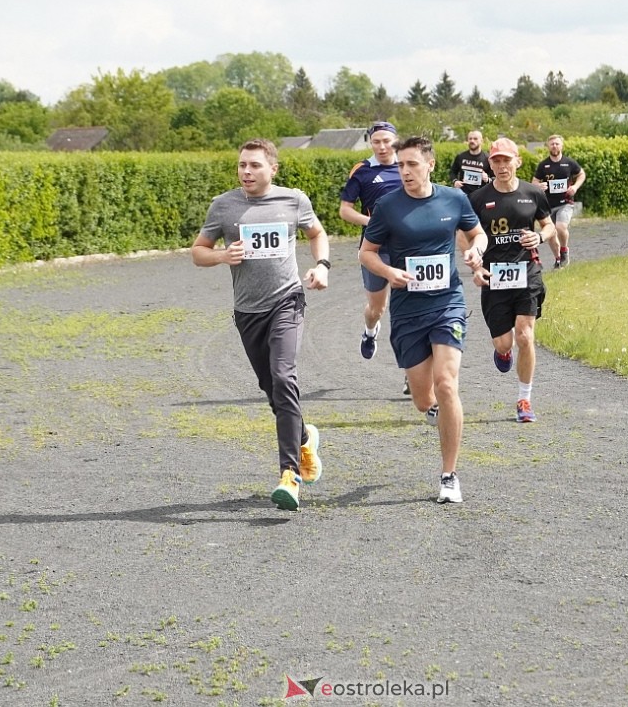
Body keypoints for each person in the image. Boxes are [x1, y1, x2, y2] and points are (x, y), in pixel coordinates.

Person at [191, 139, 330, 512]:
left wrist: (322, 266)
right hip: (247, 312)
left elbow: (317, 233)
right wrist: (222, 255)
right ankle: (304, 439)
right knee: (271, 388)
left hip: (287, 301)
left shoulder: (293, 200)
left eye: (254, 165)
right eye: (242, 165)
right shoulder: (224, 206)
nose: (246, 172)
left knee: (284, 377)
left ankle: (289, 475)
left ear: (273, 169)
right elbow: (198, 252)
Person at [360, 136, 488, 505]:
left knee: (447, 384)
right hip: (407, 310)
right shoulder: (388, 206)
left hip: (447, 302)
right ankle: (434, 412)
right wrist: (389, 272)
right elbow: (366, 253)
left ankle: (449, 476)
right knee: (422, 399)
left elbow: (477, 234)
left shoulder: (454, 199)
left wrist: (476, 251)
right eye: (400, 165)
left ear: (430, 165)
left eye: (412, 164)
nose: (404, 171)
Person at [467, 138, 556, 424]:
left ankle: (524, 399)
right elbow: (465, 234)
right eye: (496, 161)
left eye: (507, 160)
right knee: (504, 343)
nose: (502, 166)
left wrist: (539, 237)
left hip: (527, 271)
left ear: (518, 161)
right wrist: (475, 264)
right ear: (490, 164)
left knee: (525, 336)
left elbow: (549, 226)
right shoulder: (478, 199)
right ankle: (503, 353)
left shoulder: (533, 193)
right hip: (494, 275)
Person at [338, 122, 402, 363]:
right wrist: (373, 222)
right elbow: (345, 210)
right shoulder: (362, 170)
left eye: (387, 141)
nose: (382, 147)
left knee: (408, 308)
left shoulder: (408, 165)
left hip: (408, 247)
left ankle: (413, 365)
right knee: (377, 309)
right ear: (370, 143)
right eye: (376, 142)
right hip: (375, 248)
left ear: (396, 141)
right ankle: (370, 332)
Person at [531, 134, 586, 268]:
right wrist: (539, 186)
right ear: (548, 146)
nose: (554, 146)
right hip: (548, 205)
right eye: (552, 144)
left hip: (565, 203)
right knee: (551, 234)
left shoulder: (569, 163)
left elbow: (581, 174)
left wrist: (575, 187)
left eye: (557, 144)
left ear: (561, 146)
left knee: (560, 227)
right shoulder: (543, 165)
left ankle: (564, 250)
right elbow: (534, 182)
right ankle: (558, 259)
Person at [449, 129, 493, 196]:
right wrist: (455, 181)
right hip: (463, 195)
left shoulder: (487, 158)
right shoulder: (461, 156)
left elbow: (495, 178)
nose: (472, 141)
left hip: (480, 196)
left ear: (481, 141)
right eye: (470, 139)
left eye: (475, 139)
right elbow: (452, 172)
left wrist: (487, 179)